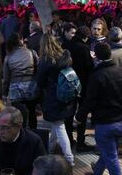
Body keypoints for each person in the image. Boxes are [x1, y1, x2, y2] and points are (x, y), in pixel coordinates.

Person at [76, 42, 122, 175]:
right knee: (108, 152)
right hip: (121, 122)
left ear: (96, 57)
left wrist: (79, 116)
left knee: (111, 156)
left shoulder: (97, 76)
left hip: (104, 123)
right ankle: (97, 172)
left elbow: (90, 101)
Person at [36, 35, 75, 165]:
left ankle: (69, 158)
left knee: (59, 126)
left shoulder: (46, 60)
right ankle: (50, 149)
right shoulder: (65, 57)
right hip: (67, 94)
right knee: (56, 124)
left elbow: (40, 81)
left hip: (53, 96)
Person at [0, 106, 46, 175]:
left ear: (18, 126)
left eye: (5, 127)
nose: (0, 132)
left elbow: (42, 169)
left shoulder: (34, 142)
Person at [62, 26, 95, 152]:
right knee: (82, 113)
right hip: (82, 84)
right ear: (85, 37)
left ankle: (69, 140)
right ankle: (81, 142)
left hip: (69, 82)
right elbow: (89, 67)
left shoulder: (67, 45)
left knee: (69, 113)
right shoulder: (84, 48)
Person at [3, 33, 39, 129]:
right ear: (22, 40)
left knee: (18, 115)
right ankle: (33, 132)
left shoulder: (8, 57)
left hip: (15, 88)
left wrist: (5, 94)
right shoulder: (32, 52)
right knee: (32, 112)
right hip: (31, 86)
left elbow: (6, 78)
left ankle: (21, 133)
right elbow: (38, 69)